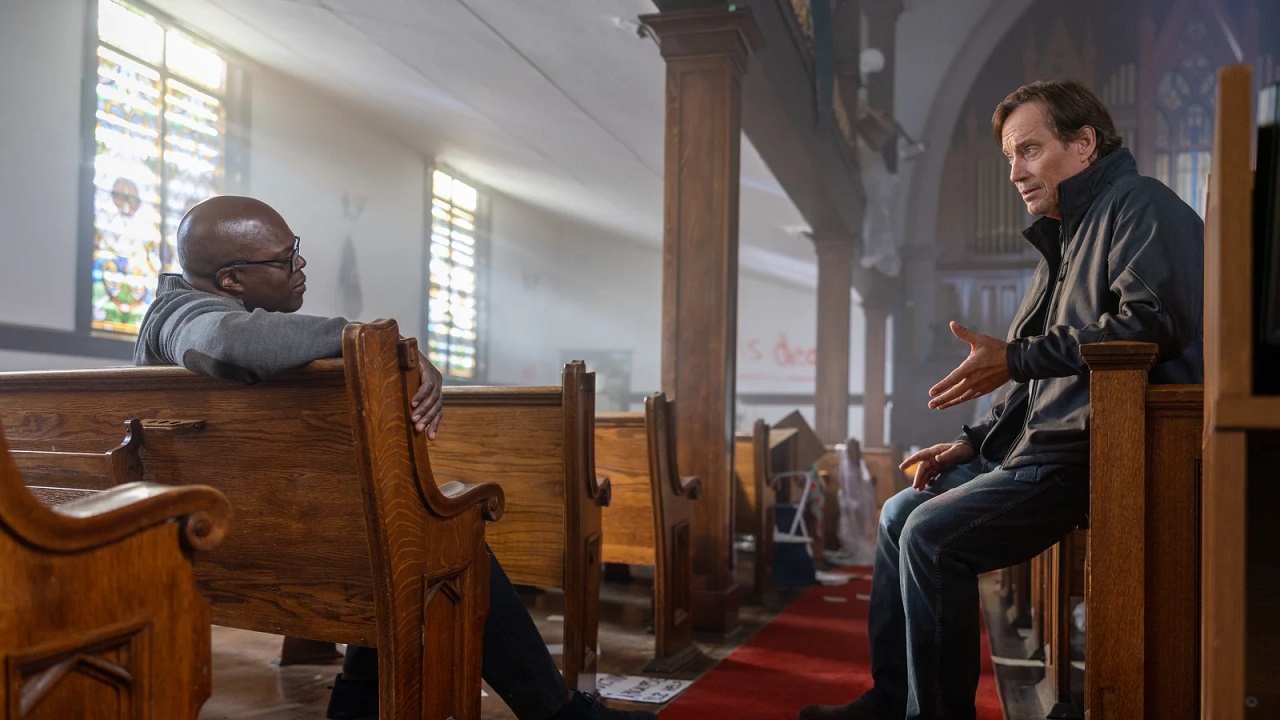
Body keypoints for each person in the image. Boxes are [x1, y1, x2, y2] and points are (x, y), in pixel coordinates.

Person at [133, 195, 656, 720]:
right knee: (447, 538)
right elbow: (227, 343)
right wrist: (377, 340)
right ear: (231, 281)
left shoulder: (193, 312)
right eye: (286, 258)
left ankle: (361, 700)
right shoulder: (180, 317)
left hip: (238, 535)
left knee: (393, 529)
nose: (301, 265)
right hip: (235, 546)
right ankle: (558, 713)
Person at [798, 79, 1203, 720]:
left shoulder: (1140, 205)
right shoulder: (1062, 239)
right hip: (1043, 445)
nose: (1015, 173)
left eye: (1029, 151)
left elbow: (1149, 325)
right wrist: (973, 440)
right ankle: (890, 699)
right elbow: (1037, 382)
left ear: (1084, 143)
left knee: (933, 536)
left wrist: (1013, 357)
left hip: (1099, 452)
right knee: (900, 512)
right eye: (1009, 158)